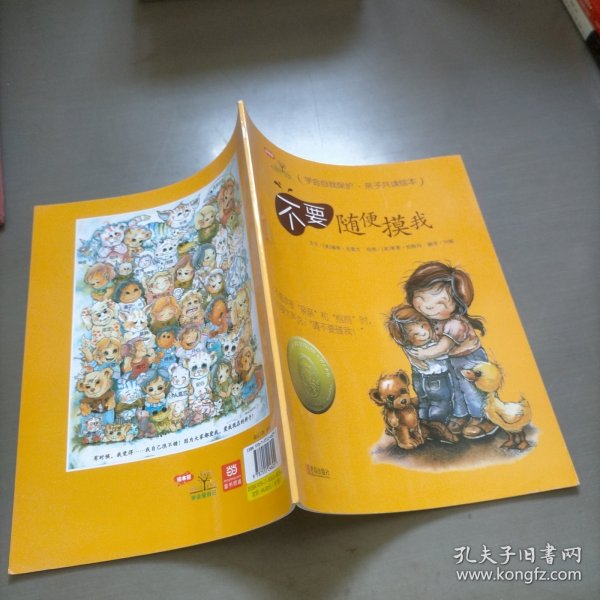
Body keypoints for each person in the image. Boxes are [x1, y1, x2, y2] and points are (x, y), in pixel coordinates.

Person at [403, 262, 497, 439]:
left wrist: (423, 354)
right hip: (452, 360)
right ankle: (462, 415)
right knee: (455, 389)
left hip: (469, 358)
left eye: (440, 303)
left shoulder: (455, 323)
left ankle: (485, 418)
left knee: (472, 389)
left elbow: (442, 347)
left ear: (457, 305)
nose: (428, 306)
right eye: (421, 297)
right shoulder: (429, 320)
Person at [387, 304, 458, 443]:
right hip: (437, 379)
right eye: (415, 334)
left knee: (424, 402)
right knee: (440, 403)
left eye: (422, 325)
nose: (423, 333)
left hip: (419, 379)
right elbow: (445, 351)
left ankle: (423, 424)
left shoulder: (410, 348)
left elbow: (404, 346)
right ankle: (436, 425)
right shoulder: (434, 344)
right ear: (406, 339)